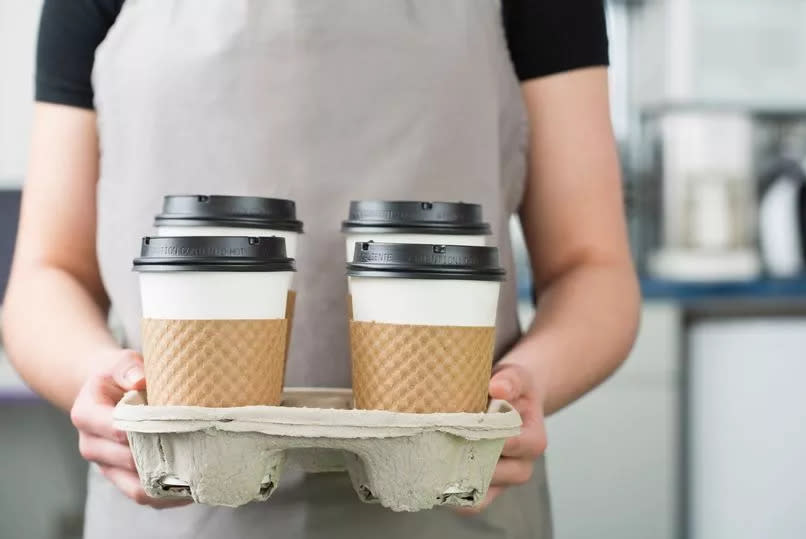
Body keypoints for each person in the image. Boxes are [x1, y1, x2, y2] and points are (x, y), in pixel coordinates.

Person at [1, 1, 640, 537]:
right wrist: (104, 388)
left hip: (453, 500)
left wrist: (527, 386)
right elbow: (45, 274)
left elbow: (593, 269)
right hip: (173, 504)